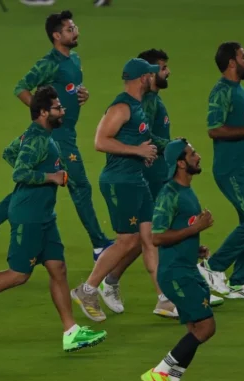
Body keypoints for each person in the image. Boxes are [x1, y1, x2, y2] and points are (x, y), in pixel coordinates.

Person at [0, 86, 107, 352]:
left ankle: (71, 332)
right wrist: (50, 177)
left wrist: (40, 171)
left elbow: (10, 152)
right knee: (19, 274)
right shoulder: (37, 140)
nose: (62, 111)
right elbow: (19, 172)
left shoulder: (38, 136)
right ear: (43, 112)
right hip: (28, 216)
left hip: (45, 216)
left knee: (58, 269)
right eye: (57, 108)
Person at [0, 10, 112, 261]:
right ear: (57, 36)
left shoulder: (74, 59)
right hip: (58, 136)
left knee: (38, 185)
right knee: (80, 186)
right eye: (70, 29)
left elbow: (71, 89)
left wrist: (83, 94)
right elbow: (21, 88)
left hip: (67, 132)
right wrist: (43, 113)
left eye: (75, 27)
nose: (76, 32)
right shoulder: (49, 63)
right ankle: (99, 244)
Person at [97, 50, 224, 314]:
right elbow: (142, 139)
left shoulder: (151, 100)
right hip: (147, 175)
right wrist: (175, 148)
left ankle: (113, 280)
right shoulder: (141, 104)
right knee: (151, 236)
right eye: (162, 68)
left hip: (155, 173)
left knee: (142, 238)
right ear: (147, 75)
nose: (166, 72)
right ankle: (167, 296)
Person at [70, 58, 178, 321]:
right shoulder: (122, 106)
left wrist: (146, 154)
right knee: (127, 241)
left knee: (149, 237)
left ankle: (164, 299)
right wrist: (137, 151)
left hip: (136, 179)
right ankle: (87, 289)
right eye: (151, 74)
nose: (154, 77)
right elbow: (100, 141)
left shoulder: (138, 106)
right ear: (143, 78)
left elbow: (134, 141)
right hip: (119, 182)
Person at [140, 139, 216, 381]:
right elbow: (157, 237)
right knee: (206, 327)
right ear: (181, 163)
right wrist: (195, 229)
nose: (198, 156)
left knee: (194, 327)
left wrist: (194, 247)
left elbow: (176, 230)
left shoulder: (186, 190)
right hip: (175, 273)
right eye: (192, 154)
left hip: (185, 267)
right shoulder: (169, 194)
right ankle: (159, 372)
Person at [197, 42, 244, 299]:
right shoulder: (221, 92)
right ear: (231, 62)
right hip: (232, 170)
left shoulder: (238, 89)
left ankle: (239, 281)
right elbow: (214, 129)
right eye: (243, 56)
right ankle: (212, 267)